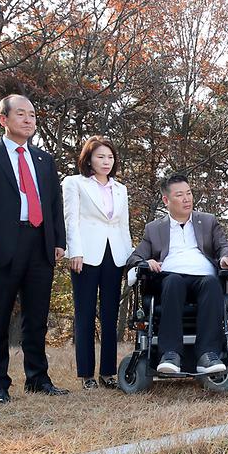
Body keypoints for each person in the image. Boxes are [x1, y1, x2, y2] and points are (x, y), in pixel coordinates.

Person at [0, 94, 69, 403]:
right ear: (3, 119)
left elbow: (53, 204)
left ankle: (38, 378)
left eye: (32, 115)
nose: (28, 119)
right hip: (1, 246)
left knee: (37, 317)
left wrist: (58, 240)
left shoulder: (43, 159)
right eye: (20, 114)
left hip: (40, 244)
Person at [126, 174, 228, 374]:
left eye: (189, 193)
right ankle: (170, 354)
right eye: (180, 195)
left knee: (212, 284)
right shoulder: (154, 228)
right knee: (174, 281)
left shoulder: (208, 221)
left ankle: (208, 355)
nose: (187, 199)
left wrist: (225, 259)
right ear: (166, 200)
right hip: (169, 278)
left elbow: (223, 247)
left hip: (203, 277)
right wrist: (146, 261)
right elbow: (134, 258)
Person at [62, 136, 133, 390]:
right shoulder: (74, 183)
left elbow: (123, 225)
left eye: (110, 157)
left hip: (114, 256)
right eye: (100, 156)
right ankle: (86, 374)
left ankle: (107, 373)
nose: (106, 161)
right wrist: (74, 252)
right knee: (85, 313)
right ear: (89, 159)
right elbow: (71, 219)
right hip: (86, 255)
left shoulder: (120, 188)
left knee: (110, 314)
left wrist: (128, 259)